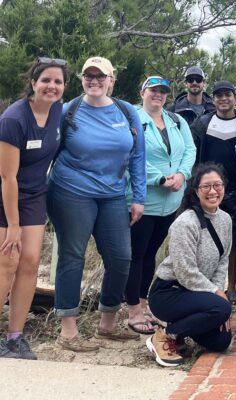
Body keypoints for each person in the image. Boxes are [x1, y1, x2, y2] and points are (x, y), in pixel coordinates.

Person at [47, 56, 146, 352]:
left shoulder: (126, 112)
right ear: (81, 80)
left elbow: (138, 157)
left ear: (111, 80)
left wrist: (138, 197)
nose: (94, 81)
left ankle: (107, 324)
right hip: (70, 191)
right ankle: (68, 331)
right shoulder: (69, 110)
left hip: (113, 193)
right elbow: (50, 150)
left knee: (121, 257)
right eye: (89, 76)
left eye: (100, 76)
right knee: (72, 256)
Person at [0, 57, 68, 360]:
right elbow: (7, 176)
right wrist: (13, 225)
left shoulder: (57, 112)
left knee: (29, 263)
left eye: (58, 81)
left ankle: (15, 338)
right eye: (46, 81)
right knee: (7, 263)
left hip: (35, 194)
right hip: (6, 195)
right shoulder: (14, 119)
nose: (51, 86)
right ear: (33, 83)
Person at [124, 76, 195, 334]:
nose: (158, 95)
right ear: (142, 92)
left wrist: (182, 175)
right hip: (143, 201)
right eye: (153, 90)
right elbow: (132, 154)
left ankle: (143, 304)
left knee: (151, 253)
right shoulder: (131, 118)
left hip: (170, 202)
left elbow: (189, 150)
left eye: (163, 91)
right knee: (136, 255)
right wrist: (160, 178)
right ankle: (132, 310)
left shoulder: (177, 121)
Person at [146, 163, 233, 366]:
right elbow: (185, 272)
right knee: (220, 308)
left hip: (197, 294)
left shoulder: (225, 219)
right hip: (170, 292)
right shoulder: (185, 222)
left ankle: (180, 331)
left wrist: (218, 291)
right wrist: (217, 296)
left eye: (218, 185)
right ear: (196, 190)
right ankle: (164, 335)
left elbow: (223, 261)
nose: (213, 191)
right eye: (206, 187)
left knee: (222, 341)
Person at [190, 80, 236, 305]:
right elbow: (192, 153)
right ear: (213, 99)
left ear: (235, 97)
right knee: (204, 240)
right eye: (219, 95)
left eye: (228, 95)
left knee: (233, 240)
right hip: (207, 190)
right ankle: (208, 286)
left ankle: (232, 288)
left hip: (235, 189)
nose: (224, 99)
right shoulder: (203, 123)